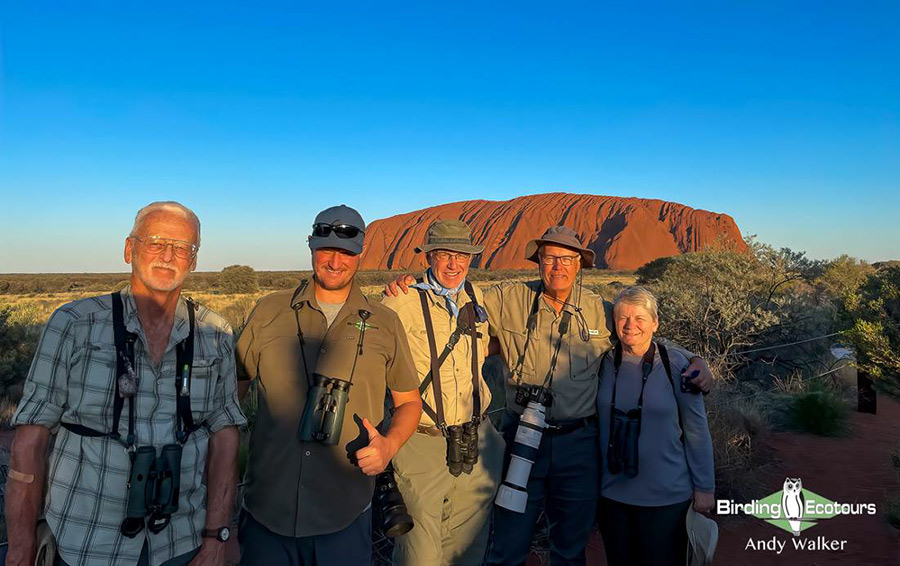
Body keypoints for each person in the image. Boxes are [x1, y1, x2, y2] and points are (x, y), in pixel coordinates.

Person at [385, 225, 712, 566]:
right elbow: (452, 294)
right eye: (549, 257)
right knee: (508, 544)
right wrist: (413, 283)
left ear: (579, 264)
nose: (558, 266)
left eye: (566, 259)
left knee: (570, 548)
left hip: (579, 446)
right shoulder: (505, 298)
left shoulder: (599, 310)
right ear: (538, 262)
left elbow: (638, 335)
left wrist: (691, 359)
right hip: (520, 438)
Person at [5, 201, 246, 566]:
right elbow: (30, 439)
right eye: (155, 242)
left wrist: (217, 536)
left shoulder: (214, 333)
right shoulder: (74, 324)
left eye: (182, 248)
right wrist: (21, 547)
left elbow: (224, 436)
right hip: (87, 541)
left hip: (182, 541)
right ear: (129, 249)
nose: (168, 255)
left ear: (194, 261)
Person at [235, 204, 422, 566]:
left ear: (360, 255)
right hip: (267, 512)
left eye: (346, 253)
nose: (335, 262)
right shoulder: (268, 312)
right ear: (311, 247)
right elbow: (231, 395)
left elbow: (408, 403)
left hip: (344, 512)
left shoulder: (385, 322)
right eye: (326, 250)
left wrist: (388, 446)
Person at [380, 220, 505, 566]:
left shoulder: (477, 298)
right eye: (445, 255)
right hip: (422, 442)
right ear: (430, 256)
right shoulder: (401, 302)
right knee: (419, 553)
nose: (454, 264)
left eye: (461, 255)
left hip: (474, 441)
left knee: (468, 550)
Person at [596, 286, 715, 566]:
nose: (630, 325)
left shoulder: (677, 365)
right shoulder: (602, 362)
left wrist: (705, 488)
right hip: (612, 495)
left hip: (667, 499)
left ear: (655, 322)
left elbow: (697, 430)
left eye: (640, 318)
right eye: (622, 317)